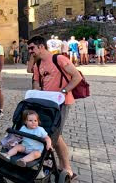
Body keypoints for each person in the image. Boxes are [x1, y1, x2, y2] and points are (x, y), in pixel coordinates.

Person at [27, 35, 81, 180]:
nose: (30, 51)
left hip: (61, 103)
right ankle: (52, 163)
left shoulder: (59, 59)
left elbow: (77, 77)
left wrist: (63, 92)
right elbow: (36, 83)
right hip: (45, 104)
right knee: (49, 134)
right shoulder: (38, 64)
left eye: (32, 48)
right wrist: (34, 96)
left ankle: (67, 168)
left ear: (41, 46)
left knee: (55, 136)